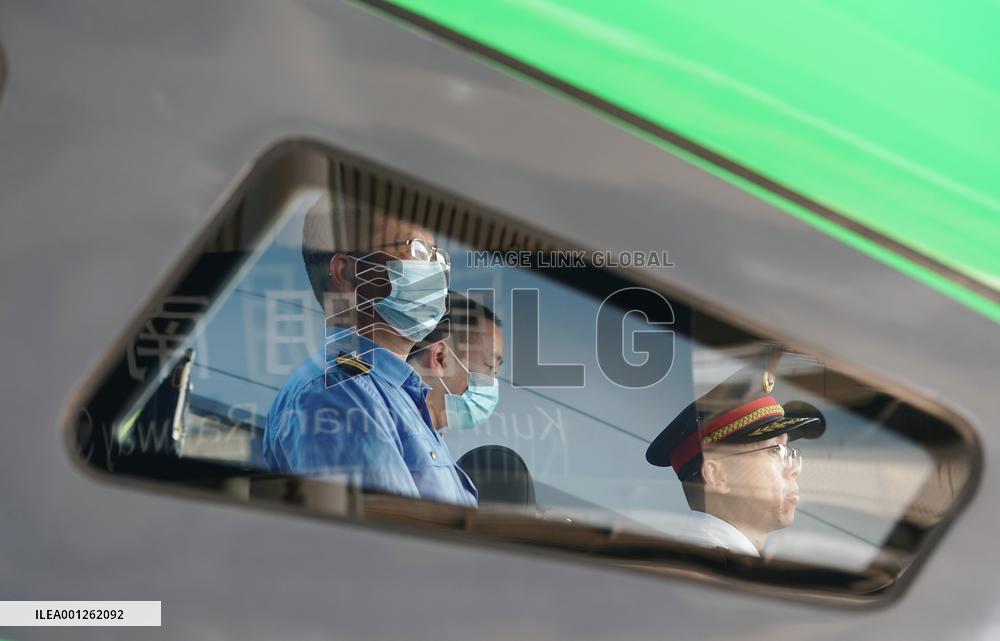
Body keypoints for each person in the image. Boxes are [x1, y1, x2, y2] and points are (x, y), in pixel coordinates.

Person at [263, 204, 477, 508]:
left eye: (436, 257)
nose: (437, 271)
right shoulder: (335, 397)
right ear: (347, 272)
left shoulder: (396, 394)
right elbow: (395, 549)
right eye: (417, 251)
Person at [645, 363, 825, 557]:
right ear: (716, 475)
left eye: (788, 451)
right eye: (774, 451)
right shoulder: (704, 570)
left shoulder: (722, 566)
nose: (794, 469)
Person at [406, 292, 504, 432]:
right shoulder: (389, 428)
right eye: (490, 366)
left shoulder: (429, 441)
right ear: (440, 358)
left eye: (495, 372)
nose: (492, 384)